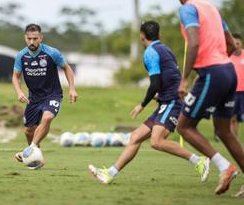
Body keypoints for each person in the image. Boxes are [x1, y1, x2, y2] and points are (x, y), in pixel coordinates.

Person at [88, 21, 210, 184]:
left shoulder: (150, 52)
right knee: (135, 137)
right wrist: (161, 94)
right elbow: (172, 75)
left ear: (141, 36)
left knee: (156, 141)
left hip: (172, 102)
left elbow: (154, 83)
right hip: (167, 101)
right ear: (159, 35)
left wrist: (142, 104)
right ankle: (110, 173)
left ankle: (199, 161)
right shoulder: (166, 49)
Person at [175, 0, 244, 196]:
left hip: (213, 73)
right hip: (228, 71)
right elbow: (232, 44)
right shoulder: (211, 8)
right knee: (224, 131)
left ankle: (225, 167)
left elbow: (193, 42)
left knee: (184, 126)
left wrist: (186, 77)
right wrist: (219, 64)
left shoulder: (187, 8)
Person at [12, 23, 78, 168]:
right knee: (29, 131)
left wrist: (72, 88)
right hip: (33, 98)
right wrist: (19, 92)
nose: (32, 42)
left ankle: (28, 151)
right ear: (25, 38)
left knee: (47, 117)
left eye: (35, 38)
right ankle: (35, 157)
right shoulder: (21, 56)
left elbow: (67, 68)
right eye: (29, 38)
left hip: (52, 94)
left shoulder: (52, 53)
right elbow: (15, 76)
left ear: (41, 38)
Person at [230, 33, 244, 136]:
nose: (236, 45)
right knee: (232, 117)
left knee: (240, 118)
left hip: (243, 92)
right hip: (232, 91)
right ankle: (232, 139)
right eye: (234, 43)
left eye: (238, 43)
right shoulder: (228, 56)